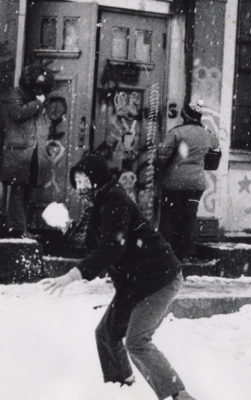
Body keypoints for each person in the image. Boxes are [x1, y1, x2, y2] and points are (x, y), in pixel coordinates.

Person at [43, 153, 197, 400]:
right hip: (136, 281)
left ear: (96, 179)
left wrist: (72, 276)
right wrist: (67, 228)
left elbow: (112, 248)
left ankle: (178, 395)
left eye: (83, 181)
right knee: (106, 333)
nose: (80, 187)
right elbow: (95, 246)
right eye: (77, 182)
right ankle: (121, 388)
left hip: (160, 279)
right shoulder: (100, 204)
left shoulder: (115, 201)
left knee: (137, 341)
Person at [156, 101, 219, 260]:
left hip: (174, 182)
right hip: (196, 184)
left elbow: (162, 156)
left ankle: (165, 252)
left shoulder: (177, 133)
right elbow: (215, 146)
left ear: (184, 115)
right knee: (189, 217)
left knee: (168, 217)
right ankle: (185, 253)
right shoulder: (207, 133)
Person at [0, 63, 54, 237]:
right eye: (36, 84)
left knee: (26, 190)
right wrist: (37, 104)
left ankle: (22, 228)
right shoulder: (15, 94)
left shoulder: (35, 97)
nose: (38, 89)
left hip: (32, 153)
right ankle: (17, 229)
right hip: (18, 153)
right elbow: (17, 113)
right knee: (18, 191)